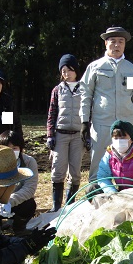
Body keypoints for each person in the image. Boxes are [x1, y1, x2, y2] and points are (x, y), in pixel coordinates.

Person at [79, 26, 133, 182]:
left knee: (129, 166)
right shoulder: (95, 67)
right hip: (102, 124)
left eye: (120, 41)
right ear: (105, 43)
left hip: (126, 126)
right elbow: (85, 95)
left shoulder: (130, 69)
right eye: (113, 41)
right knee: (98, 165)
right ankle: (96, 199)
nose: (117, 45)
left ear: (124, 44)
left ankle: (125, 200)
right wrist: (83, 121)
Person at [47, 54, 85, 212]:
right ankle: (56, 207)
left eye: (69, 70)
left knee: (75, 171)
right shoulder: (57, 90)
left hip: (78, 135)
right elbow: (52, 113)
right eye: (63, 71)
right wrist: (50, 135)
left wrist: (87, 134)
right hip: (60, 134)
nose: (67, 73)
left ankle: (70, 206)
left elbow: (89, 112)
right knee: (58, 170)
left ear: (75, 70)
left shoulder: (84, 88)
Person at [86, 120, 133, 197]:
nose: (119, 141)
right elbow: (103, 177)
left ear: (131, 139)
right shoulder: (109, 155)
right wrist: (113, 194)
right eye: (116, 138)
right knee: (92, 189)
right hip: (121, 194)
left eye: (123, 137)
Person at [0, 130, 38, 234]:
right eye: (7, 148)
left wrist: (9, 201)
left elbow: (29, 188)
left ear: (20, 149)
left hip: (16, 202)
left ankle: (19, 227)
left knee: (29, 204)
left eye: (14, 148)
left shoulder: (29, 162)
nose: (11, 151)